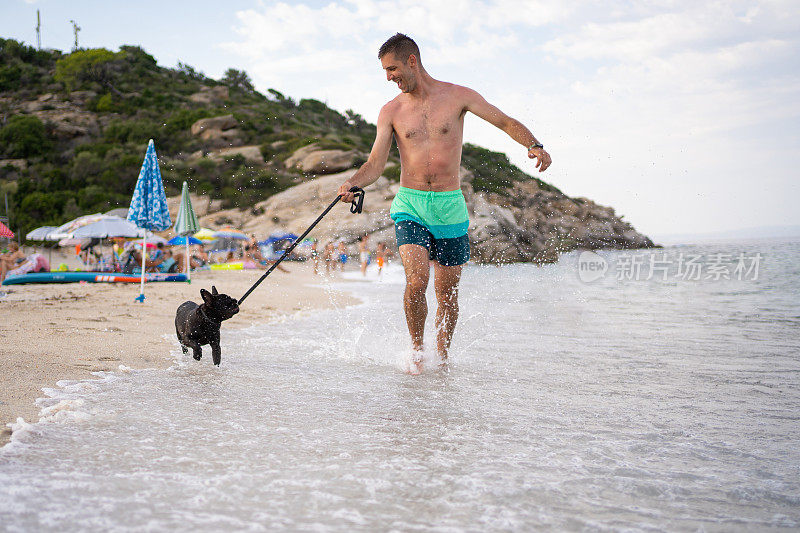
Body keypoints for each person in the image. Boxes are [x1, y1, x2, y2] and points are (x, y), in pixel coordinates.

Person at [337, 33, 552, 371]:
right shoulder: (390, 111)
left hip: (450, 205)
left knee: (447, 293)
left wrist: (534, 144)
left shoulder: (458, 96)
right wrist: (352, 182)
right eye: (384, 71)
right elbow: (376, 163)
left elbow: (505, 121)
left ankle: (443, 357)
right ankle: (418, 351)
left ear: (412, 61)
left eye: (392, 68)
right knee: (417, 280)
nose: (388, 77)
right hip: (411, 204)